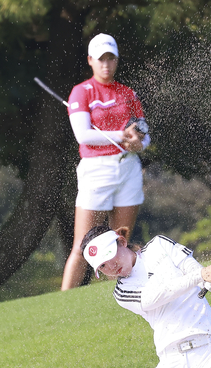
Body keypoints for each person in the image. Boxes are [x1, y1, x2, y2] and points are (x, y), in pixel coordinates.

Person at [81, 225, 211, 368]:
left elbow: (195, 271)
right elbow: (159, 295)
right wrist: (200, 275)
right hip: (172, 364)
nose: (111, 267)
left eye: (110, 256)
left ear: (122, 241)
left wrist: (210, 279)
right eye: (103, 266)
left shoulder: (160, 244)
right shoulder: (122, 292)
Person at [62, 33, 150, 291]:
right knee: (82, 246)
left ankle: (123, 292)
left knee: (120, 240)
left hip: (128, 167)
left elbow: (144, 134)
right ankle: (61, 304)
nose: (106, 65)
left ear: (116, 60)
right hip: (96, 169)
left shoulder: (128, 93)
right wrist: (122, 136)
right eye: (101, 59)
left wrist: (139, 143)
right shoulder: (82, 91)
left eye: (111, 58)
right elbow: (83, 135)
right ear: (90, 60)